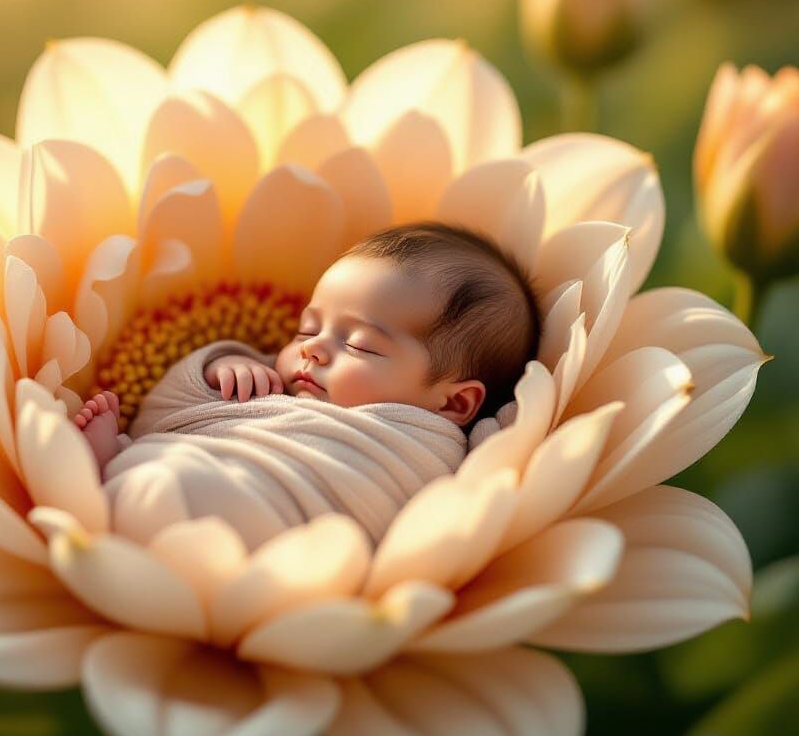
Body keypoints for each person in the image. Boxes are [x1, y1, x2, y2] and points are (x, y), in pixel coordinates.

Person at [73, 222, 541, 549]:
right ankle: (112, 461)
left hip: (284, 534)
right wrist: (223, 365)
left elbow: (506, 454)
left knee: (172, 488)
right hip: (215, 469)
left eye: (359, 346)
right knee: (172, 472)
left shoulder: (448, 452)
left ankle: (112, 482)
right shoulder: (274, 393)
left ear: (457, 402)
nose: (313, 349)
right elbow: (191, 414)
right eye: (305, 330)